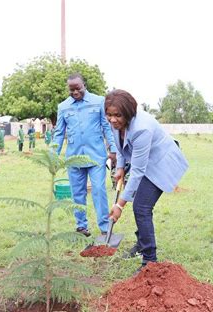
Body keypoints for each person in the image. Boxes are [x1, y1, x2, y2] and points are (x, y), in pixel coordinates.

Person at [106, 89, 188, 272]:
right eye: (109, 115)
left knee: (141, 207)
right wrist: (119, 168)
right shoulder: (116, 123)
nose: (112, 120)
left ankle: (150, 261)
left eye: (117, 115)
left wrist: (119, 206)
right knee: (138, 203)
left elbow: (137, 171)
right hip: (142, 160)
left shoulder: (141, 128)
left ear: (128, 112)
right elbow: (119, 148)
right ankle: (142, 245)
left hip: (161, 162)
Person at [53, 73, 117, 236]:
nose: (75, 92)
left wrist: (113, 149)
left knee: (98, 190)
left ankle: (104, 228)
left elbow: (106, 127)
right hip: (74, 157)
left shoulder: (98, 101)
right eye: (71, 90)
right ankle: (81, 226)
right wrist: (53, 154)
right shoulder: (63, 107)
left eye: (78, 89)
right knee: (77, 193)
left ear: (84, 86)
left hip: (96, 156)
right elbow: (59, 133)